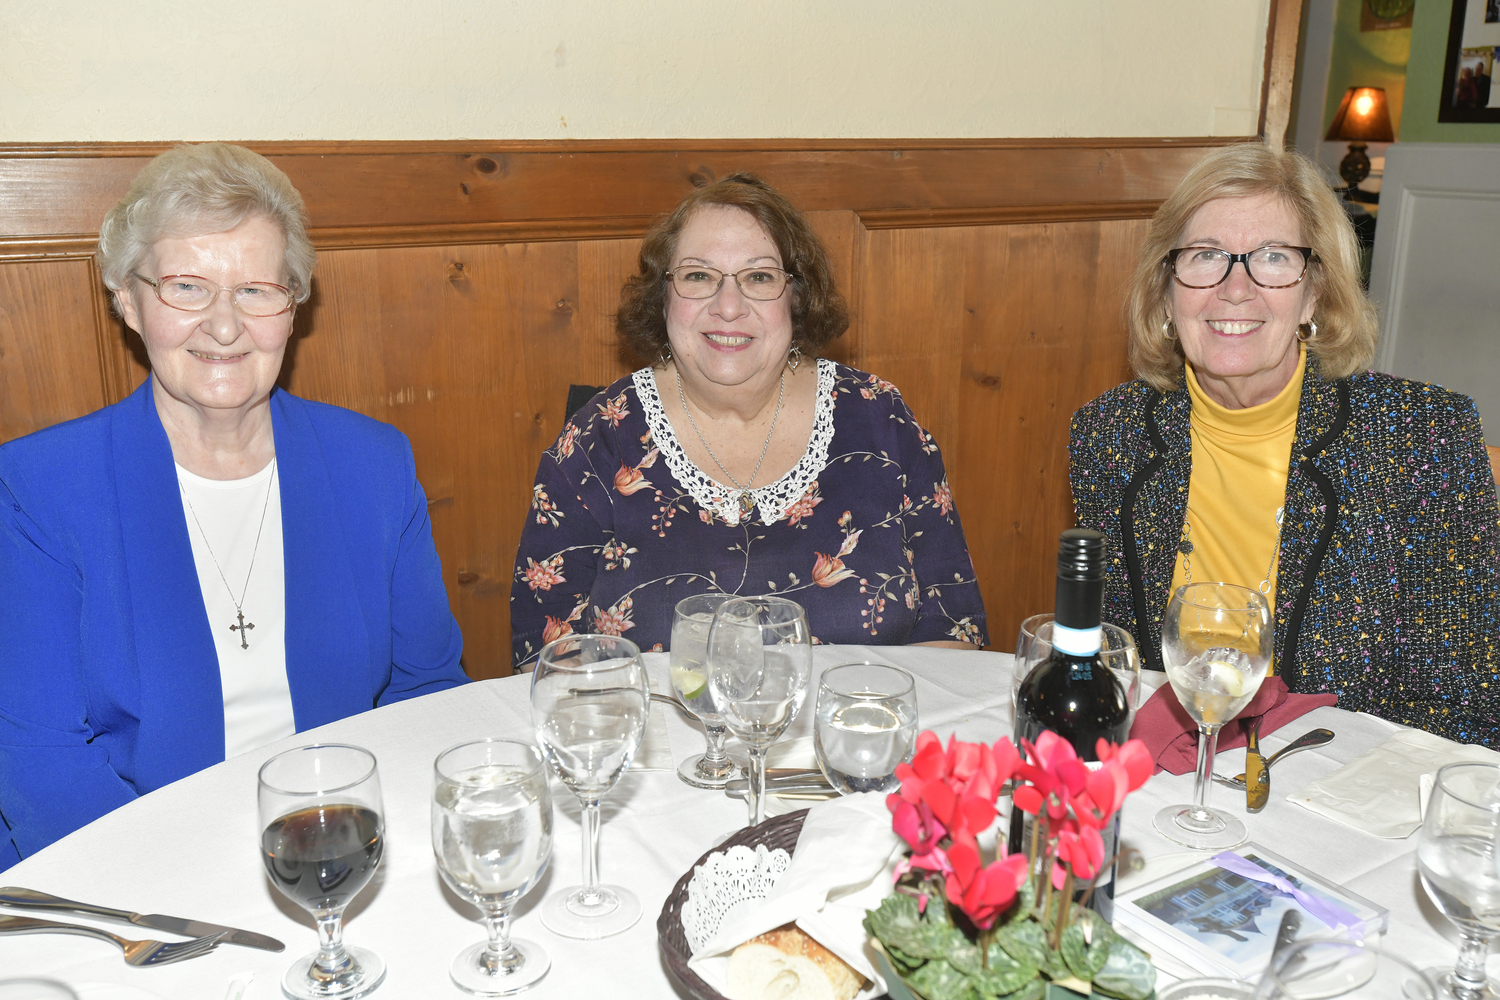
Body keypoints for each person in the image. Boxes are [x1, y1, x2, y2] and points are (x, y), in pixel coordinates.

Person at [0, 143, 467, 868]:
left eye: (256, 290)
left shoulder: (372, 464)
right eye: (187, 287)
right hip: (130, 870)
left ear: (293, 306)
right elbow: (39, 756)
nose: (224, 326)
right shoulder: (40, 488)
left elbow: (426, 691)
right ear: (128, 299)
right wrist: (179, 897)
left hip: (337, 847)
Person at [1070, 142, 1499, 744]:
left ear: (1316, 291)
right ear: (1167, 292)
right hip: (1174, 778)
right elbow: (1112, 661)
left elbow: (1473, 705)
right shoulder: (1111, 434)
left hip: (1349, 792)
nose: (1235, 288)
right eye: (1204, 256)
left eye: (1272, 257)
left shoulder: (1421, 439)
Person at [510, 174, 986, 666]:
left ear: (796, 298)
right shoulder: (598, 440)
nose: (729, 306)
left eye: (759, 277)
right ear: (664, 296)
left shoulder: (880, 418)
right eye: (698, 276)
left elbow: (955, 627)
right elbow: (546, 654)